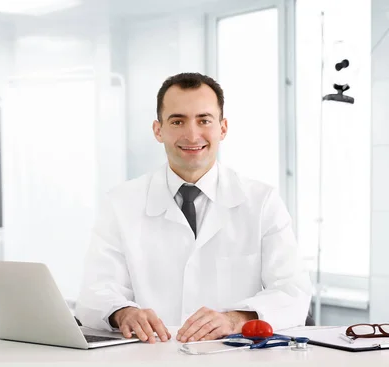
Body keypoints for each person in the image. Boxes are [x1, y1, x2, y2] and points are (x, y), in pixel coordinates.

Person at [75, 72, 311, 344]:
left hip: (232, 357)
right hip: (150, 357)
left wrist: (234, 319)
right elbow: (94, 293)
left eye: (204, 120)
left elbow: (293, 291)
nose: (192, 134)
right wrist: (123, 312)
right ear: (158, 130)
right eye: (177, 121)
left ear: (222, 128)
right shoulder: (121, 203)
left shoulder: (261, 201)